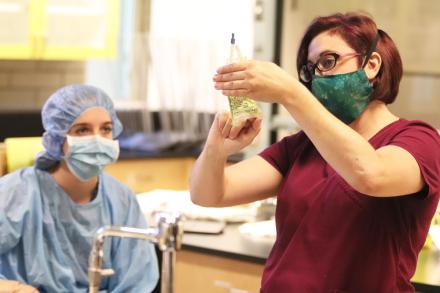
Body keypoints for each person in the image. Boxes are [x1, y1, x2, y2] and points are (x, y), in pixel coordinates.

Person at [190, 12, 440, 292]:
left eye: (328, 61)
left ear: (371, 65)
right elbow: (208, 194)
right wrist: (216, 148)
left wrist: (290, 93)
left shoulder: (419, 140)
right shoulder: (302, 146)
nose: (318, 77)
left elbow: (372, 175)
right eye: (311, 70)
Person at [0, 85, 159, 292]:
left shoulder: (121, 199)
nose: (97, 139)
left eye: (106, 129)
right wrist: (13, 289)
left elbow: (138, 281)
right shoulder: (17, 192)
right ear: (58, 138)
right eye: (82, 130)